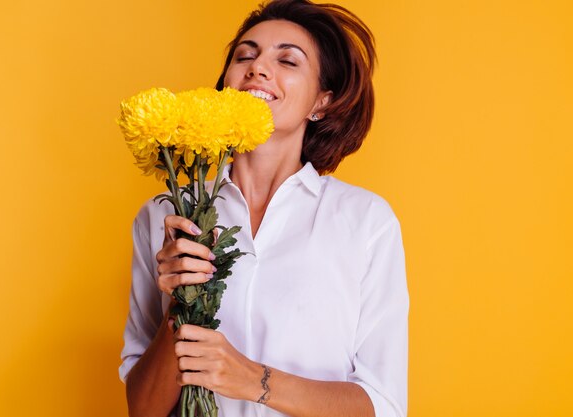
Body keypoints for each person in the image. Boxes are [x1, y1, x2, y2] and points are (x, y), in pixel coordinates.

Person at [119, 1, 409, 416]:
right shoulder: (166, 216)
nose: (257, 68)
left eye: (287, 60)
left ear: (321, 102)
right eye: (245, 55)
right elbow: (143, 409)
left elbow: (383, 406)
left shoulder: (365, 222)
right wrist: (183, 303)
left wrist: (254, 380)